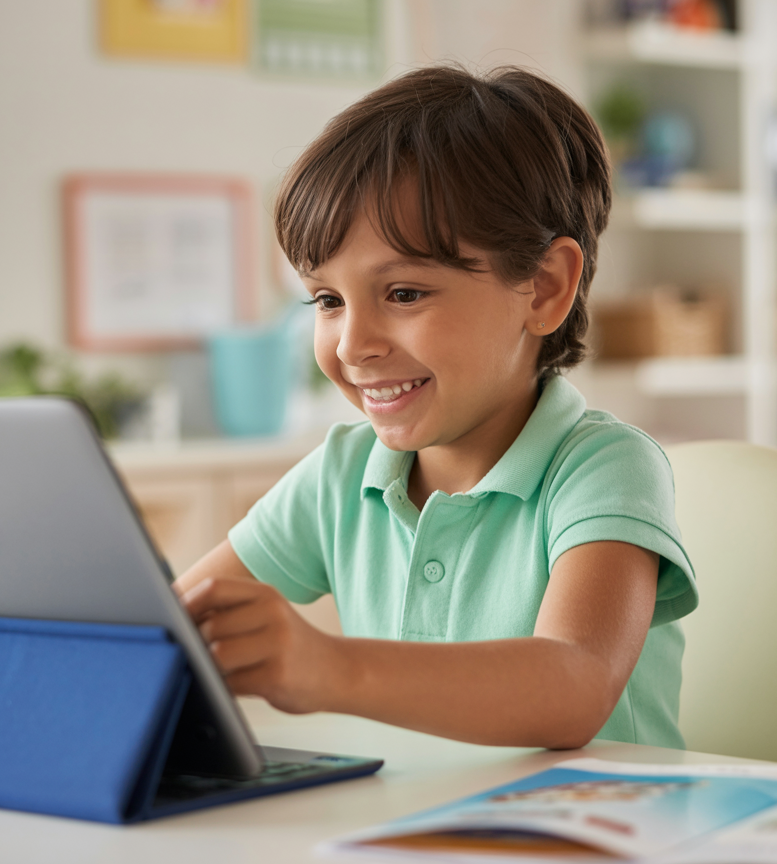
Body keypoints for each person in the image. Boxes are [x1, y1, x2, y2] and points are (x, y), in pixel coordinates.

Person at [174, 65, 697, 750]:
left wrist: (328, 666)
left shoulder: (605, 468)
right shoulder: (340, 475)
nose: (352, 344)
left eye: (404, 294)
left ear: (543, 288)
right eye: (328, 300)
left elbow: (577, 682)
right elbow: (171, 629)